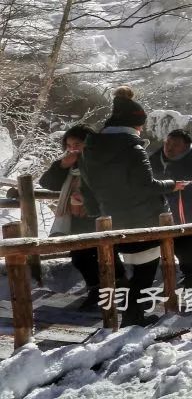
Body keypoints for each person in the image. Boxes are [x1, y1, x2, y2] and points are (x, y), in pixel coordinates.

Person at [80, 87, 189, 327]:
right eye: (140, 126)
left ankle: (125, 317)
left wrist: (96, 210)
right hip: (142, 217)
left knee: (126, 270)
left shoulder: (91, 148)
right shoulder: (132, 148)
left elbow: (85, 186)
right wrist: (172, 185)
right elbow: (145, 185)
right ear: (134, 124)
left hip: (110, 218)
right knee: (144, 272)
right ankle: (134, 318)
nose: (141, 130)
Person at [39, 125, 121, 310]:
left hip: (100, 215)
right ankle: (98, 289)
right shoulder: (70, 164)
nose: (73, 148)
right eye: (69, 145)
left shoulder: (103, 161)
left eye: (77, 144)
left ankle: (112, 289)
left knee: (104, 253)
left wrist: (88, 198)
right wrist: (62, 165)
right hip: (75, 217)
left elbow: (112, 188)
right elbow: (47, 183)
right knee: (79, 256)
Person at [149, 129, 192, 289]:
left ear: (187, 146)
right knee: (165, 243)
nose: (169, 148)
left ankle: (191, 278)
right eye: (167, 143)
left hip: (188, 210)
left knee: (185, 244)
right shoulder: (153, 161)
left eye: (175, 145)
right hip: (159, 210)